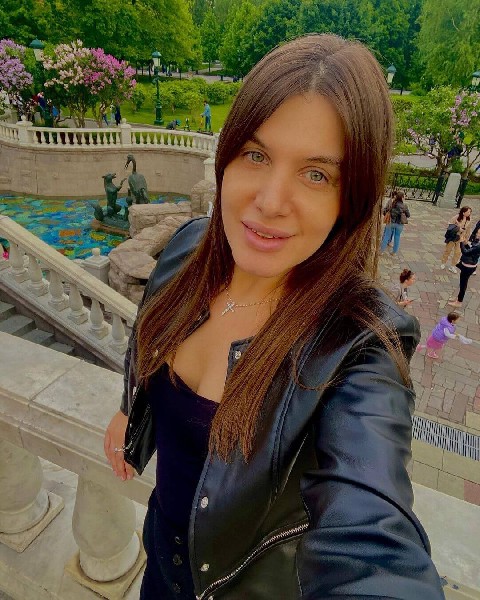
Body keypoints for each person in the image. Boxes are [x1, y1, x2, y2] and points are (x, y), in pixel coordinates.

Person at [104, 34, 444, 600]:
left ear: (352, 198)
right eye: (256, 156)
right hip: (159, 566)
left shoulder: (357, 348)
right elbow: (147, 341)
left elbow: (373, 541)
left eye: (316, 174)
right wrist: (129, 410)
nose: (269, 200)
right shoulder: (188, 250)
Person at [448, 229, 480, 307]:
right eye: (478, 232)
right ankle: (458, 298)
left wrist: (461, 243)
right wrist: (465, 244)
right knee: (462, 283)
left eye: (479, 233)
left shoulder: (479, 245)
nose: (477, 234)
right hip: (467, 264)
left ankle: (459, 302)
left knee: (463, 284)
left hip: (468, 267)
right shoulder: (477, 241)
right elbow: (471, 250)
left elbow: (466, 252)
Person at [441, 206, 472, 273]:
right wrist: (458, 228)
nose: (469, 213)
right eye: (468, 212)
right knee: (448, 250)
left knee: (458, 253)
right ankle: (443, 262)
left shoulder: (469, 220)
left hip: (461, 239)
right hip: (453, 237)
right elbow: (450, 225)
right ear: (463, 212)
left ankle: (453, 266)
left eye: (470, 212)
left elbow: (468, 230)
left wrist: (466, 239)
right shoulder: (456, 217)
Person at [380, 190, 410, 255]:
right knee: (397, 237)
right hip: (400, 224)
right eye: (404, 196)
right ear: (402, 197)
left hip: (391, 222)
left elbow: (385, 211)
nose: (405, 197)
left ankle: (381, 251)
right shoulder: (404, 206)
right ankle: (394, 252)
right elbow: (408, 215)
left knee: (386, 236)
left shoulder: (392, 203)